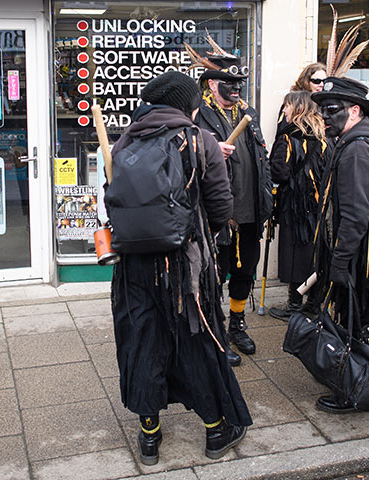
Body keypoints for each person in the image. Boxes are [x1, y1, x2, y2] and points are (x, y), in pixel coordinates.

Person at [106, 71, 251, 464]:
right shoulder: (199, 140)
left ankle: (149, 435)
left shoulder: (125, 141)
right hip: (185, 265)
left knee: (144, 339)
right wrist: (201, 232)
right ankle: (216, 430)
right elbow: (221, 205)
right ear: (186, 104)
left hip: (134, 266)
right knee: (196, 340)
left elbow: (114, 200)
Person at [311, 77, 369, 413]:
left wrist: (341, 262)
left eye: (332, 110)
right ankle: (356, 376)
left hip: (360, 254)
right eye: (322, 111)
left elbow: (356, 214)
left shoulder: (358, 149)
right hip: (358, 251)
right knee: (355, 314)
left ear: (356, 110)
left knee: (357, 316)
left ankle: (360, 387)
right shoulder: (354, 141)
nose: (325, 117)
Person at [192, 42, 272, 366]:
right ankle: (214, 333)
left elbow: (261, 157)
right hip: (218, 217)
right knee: (214, 276)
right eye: (229, 83)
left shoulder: (248, 115)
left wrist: (268, 198)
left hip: (251, 212)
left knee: (244, 272)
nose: (236, 88)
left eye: (239, 83)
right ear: (212, 83)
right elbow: (185, 149)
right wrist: (209, 148)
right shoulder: (199, 113)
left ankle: (237, 324)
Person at [268, 91, 326, 320]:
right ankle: (313, 304)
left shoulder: (288, 136)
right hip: (318, 203)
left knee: (295, 253)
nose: (284, 111)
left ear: (298, 108)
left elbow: (278, 172)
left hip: (295, 204)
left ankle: (294, 306)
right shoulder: (324, 135)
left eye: (287, 107)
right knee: (315, 251)